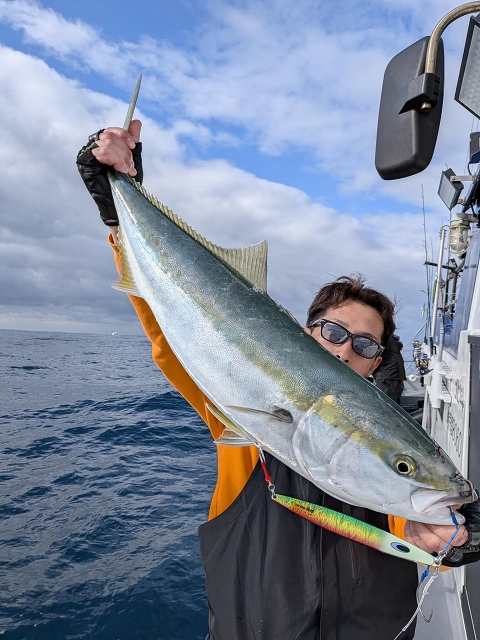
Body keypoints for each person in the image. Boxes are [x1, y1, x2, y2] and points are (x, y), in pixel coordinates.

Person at [77, 122, 480, 640]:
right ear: (308, 333)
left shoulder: (386, 470)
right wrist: (119, 211)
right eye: (333, 331)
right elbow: (170, 334)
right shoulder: (241, 433)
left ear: (375, 365)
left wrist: (457, 536)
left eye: (365, 345)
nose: (345, 348)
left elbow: (422, 530)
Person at [373, 334, 406, 404]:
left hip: (386, 376)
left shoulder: (381, 337)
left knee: (384, 404)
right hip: (397, 376)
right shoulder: (392, 340)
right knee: (394, 404)